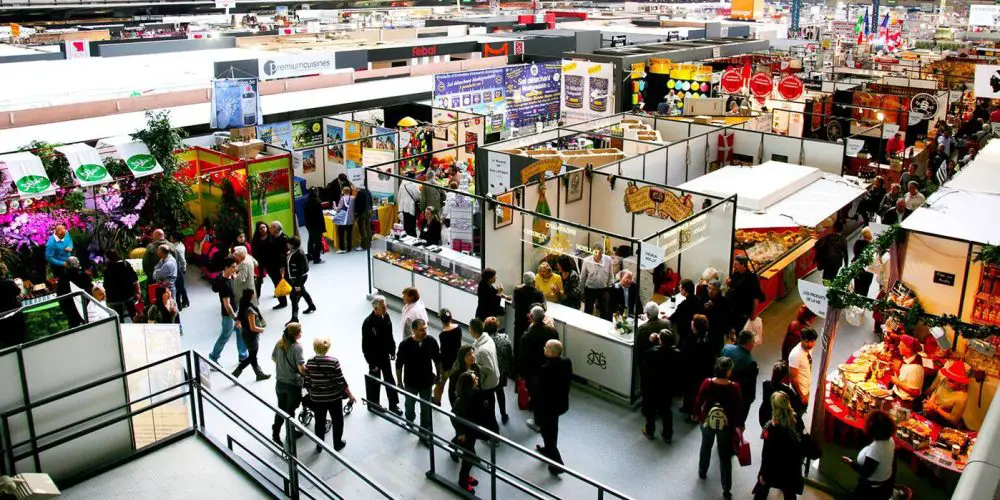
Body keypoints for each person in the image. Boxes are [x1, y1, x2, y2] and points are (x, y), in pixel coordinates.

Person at [694, 357, 745, 499]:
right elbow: (739, 408)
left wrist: (696, 414)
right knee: (724, 456)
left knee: (706, 446)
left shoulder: (707, 383)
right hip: (726, 425)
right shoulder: (734, 387)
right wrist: (739, 425)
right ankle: (726, 487)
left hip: (707, 421)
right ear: (729, 371)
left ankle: (702, 471)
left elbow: (699, 400)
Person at [396, 318, 441, 446]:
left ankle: (423, 434)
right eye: (421, 330)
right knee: (409, 406)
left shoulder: (431, 341)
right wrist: (399, 383)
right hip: (411, 383)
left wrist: (439, 375)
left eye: (426, 328)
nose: (425, 331)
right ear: (414, 330)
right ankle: (410, 421)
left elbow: (437, 359)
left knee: (425, 409)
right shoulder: (405, 345)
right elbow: (399, 365)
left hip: (426, 382)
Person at [305, 337, 354, 452]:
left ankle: (319, 445)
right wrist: (350, 395)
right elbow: (341, 381)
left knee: (319, 421)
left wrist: (313, 392)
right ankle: (337, 443)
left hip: (317, 398)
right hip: (334, 397)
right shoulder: (333, 362)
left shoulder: (310, 362)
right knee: (337, 420)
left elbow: (307, 380)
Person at [753, 392, 805, 500]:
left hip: (773, 467)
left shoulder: (772, 427)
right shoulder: (797, 421)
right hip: (791, 468)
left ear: (774, 407)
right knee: (789, 494)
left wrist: (763, 474)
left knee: (761, 492)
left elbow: (767, 454)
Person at [534, 339, 572, 475]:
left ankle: (557, 464)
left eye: (545, 348)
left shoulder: (545, 369)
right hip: (559, 404)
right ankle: (548, 449)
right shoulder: (566, 362)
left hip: (547, 408)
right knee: (553, 430)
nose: (544, 349)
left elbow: (540, 392)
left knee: (547, 433)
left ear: (551, 352)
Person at [519, 306, 560, 432]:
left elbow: (524, 357)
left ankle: (538, 422)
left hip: (534, 373)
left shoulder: (527, 336)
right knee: (548, 394)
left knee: (536, 397)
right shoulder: (552, 331)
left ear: (531, 317)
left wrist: (522, 374)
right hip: (551, 369)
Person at [841, 410, 896, 499]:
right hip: (884, 483)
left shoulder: (876, 448)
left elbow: (866, 472)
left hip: (871, 489)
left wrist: (850, 462)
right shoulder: (890, 441)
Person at [361, 295, 400, 414]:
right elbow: (365, 346)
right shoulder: (368, 324)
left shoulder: (386, 317)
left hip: (385, 355)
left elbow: (390, 335)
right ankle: (374, 404)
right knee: (375, 381)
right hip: (374, 357)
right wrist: (372, 363)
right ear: (375, 309)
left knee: (389, 379)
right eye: (383, 307)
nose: (386, 309)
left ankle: (393, 404)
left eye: (385, 306)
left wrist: (392, 350)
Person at [453, 371, 490, 494]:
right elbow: (455, 418)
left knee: (470, 454)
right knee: (469, 457)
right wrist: (461, 433)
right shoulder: (461, 401)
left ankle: (465, 476)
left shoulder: (474, 393)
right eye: (475, 379)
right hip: (466, 433)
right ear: (469, 384)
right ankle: (463, 481)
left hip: (472, 431)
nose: (477, 378)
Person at [642, 329, 680, 442]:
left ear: (660, 340)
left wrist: (650, 342)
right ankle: (667, 434)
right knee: (666, 410)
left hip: (653, 386)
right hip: (667, 386)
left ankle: (650, 431)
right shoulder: (677, 353)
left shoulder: (653, 351)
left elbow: (645, 358)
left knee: (651, 410)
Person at [271, 323, 306, 446]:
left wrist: (283, 366)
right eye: (300, 332)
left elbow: (274, 357)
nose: (301, 333)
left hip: (280, 383)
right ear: (296, 335)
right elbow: (301, 369)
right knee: (290, 411)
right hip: (293, 384)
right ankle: (291, 433)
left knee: (281, 409)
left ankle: (275, 433)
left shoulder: (280, 342)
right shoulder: (297, 348)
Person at [209, 257, 248, 363]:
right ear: (226, 268)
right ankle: (213, 356)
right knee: (225, 335)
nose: (235, 269)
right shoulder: (224, 284)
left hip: (236, 308)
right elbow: (227, 305)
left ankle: (243, 355)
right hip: (229, 314)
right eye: (233, 267)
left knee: (241, 331)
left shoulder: (230, 276)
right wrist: (236, 319)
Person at [232, 289, 271, 381]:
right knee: (252, 356)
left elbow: (238, 322)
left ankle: (259, 374)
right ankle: (237, 371)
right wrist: (262, 329)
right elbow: (253, 327)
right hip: (252, 336)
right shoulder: (250, 310)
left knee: (252, 355)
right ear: (252, 295)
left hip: (246, 334)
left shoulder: (242, 303)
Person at [721, 330, 759, 423]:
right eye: (753, 342)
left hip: (723, 390)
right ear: (748, 344)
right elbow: (750, 384)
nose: (753, 345)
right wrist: (750, 399)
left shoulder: (726, 348)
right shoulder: (750, 362)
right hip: (739, 396)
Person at [470, 317, 500, 430]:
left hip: (488, 383)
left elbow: (489, 368)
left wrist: (476, 365)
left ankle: (494, 435)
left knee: (489, 409)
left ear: (472, 330)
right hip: (494, 379)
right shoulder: (487, 338)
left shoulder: (482, 350)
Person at [759, 361, 805, 432]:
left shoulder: (765, 383)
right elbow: (797, 405)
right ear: (785, 377)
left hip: (764, 415)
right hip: (779, 419)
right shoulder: (787, 391)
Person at [683, 314, 714, 417]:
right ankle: (689, 408)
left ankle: (691, 411)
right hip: (704, 371)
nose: (691, 322)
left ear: (696, 326)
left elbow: (686, 354)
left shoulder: (692, 339)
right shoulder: (708, 337)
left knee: (691, 392)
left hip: (693, 371)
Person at [923, 360, 969, 427]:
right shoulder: (945, 381)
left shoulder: (962, 397)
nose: (948, 380)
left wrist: (935, 408)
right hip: (931, 417)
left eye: (953, 380)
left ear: (960, 382)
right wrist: (930, 402)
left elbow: (953, 419)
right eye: (948, 377)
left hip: (944, 424)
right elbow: (936, 392)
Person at [484, 317, 513, 424]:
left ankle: (492, 420)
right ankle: (504, 414)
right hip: (501, 373)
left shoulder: (485, 342)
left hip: (490, 373)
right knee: (500, 393)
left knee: (490, 396)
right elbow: (510, 356)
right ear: (497, 326)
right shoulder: (505, 338)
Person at [727, 255, 764, 331]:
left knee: (743, 331)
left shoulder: (752, 278)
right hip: (734, 309)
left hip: (744, 312)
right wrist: (729, 283)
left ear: (743, 265)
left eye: (736, 264)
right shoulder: (735, 273)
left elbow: (755, 296)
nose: (734, 266)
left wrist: (753, 313)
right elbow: (734, 286)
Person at [285, 236, 316, 323]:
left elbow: (301, 270)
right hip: (294, 278)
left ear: (292, 245)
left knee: (293, 297)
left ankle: (295, 318)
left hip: (298, 279)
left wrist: (297, 284)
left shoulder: (299, 254)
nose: (287, 244)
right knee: (303, 291)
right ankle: (311, 305)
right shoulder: (292, 251)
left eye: (289, 243)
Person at [512, 272, 545, 353]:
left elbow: (513, 305)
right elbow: (544, 307)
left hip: (519, 323)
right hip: (532, 324)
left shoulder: (517, 291)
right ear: (534, 282)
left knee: (518, 346)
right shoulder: (539, 294)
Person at [102, 250, 139, 321]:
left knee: (119, 316)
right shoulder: (125, 264)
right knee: (133, 313)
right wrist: (137, 290)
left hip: (115, 297)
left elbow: (106, 284)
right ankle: (137, 325)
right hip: (128, 294)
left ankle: (120, 328)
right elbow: (134, 278)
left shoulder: (108, 269)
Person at [57, 257, 92, 328]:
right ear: (78, 264)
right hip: (86, 308)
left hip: (70, 309)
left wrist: (64, 309)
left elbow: (60, 295)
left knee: (74, 328)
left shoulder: (63, 278)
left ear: (67, 265)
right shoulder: (83, 275)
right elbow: (90, 291)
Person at [890, 334, 924, 407]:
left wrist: (897, 382)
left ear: (908, 349)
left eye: (901, 345)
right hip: (897, 397)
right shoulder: (908, 360)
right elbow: (904, 379)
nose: (898, 346)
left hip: (905, 404)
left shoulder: (915, 368)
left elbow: (916, 392)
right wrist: (896, 370)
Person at [788, 327, 818, 408]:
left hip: (805, 389)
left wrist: (807, 391)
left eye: (812, 341)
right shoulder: (796, 355)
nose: (810, 344)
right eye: (807, 341)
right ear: (802, 340)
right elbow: (793, 378)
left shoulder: (809, 349)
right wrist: (801, 396)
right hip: (798, 394)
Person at [635, 301, 672, 368]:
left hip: (648, 364)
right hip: (666, 361)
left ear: (648, 315)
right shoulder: (667, 323)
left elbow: (638, 348)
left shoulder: (642, 328)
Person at [581, 248, 614, 319]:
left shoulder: (608, 260)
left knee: (604, 311)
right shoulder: (587, 260)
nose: (598, 255)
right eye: (596, 253)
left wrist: (608, 290)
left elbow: (611, 276)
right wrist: (582, 291)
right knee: (588, 311)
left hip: (603, 290)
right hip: (590, 289)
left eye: (600, 253)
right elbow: (583, 277)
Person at [670, 279, 703, 344]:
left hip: (685, 333)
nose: (679, 288)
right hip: (697, 332)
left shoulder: (684, 305)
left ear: (684, 290)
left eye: (680, 287)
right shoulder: (699, 300)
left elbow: (674, 318)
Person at [0, 264, 25, 347]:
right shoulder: (9, 282)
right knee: (18, 338)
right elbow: (18, 291)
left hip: (2, 317)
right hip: (14, 313)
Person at [704, 279, 731, 352]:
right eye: (709, 288)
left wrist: (713, 307)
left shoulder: (724, 301)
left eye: (714, 289)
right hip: (704, 330)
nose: (711, 291)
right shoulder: (704, 298)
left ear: (718, 290)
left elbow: (724, 319)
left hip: (717, 333)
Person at [268, 222, 289, 309]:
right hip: (274, 264)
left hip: (281, 266)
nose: (270, 228)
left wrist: (282, 266)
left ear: (277, 229)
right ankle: (281, 294)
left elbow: (286, 254)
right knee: (277, 282)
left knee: (280, 282)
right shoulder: (272, 237)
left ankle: (283, 302)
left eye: (272, 227)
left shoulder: (284, 239)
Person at [167, 233, 189, 309]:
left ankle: (180, 304)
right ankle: (185, 301)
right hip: (179, 268)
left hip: (178, 269)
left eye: (171, 237)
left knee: (178, 287)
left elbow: (182, 260)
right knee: (181, 286)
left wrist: (183, 269)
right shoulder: (181, 244)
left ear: (175, 239)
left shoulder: (176, 248)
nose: (170, 238)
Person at [304, 187, 327, 263]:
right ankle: (316, 258)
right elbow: (319, 216)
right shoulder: (317, 201)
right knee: (318, 242)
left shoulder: (307, 201)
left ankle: (309, 255)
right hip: (316, 225)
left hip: (309, 225)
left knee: (310, 239)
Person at [251, 222, 271, 299]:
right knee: (258, 281)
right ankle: (257, 296)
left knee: (274, 278)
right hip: (260, 262)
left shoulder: (271, 236)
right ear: (258, 230)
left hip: (270, 261)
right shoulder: (256, 239)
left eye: (264, 227)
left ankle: (278, 292)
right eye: (261, 228)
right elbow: (254, 251)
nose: (263, 229)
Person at [853, 227, 876, 297]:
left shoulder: (857, 243)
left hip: (857, 268)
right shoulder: (872, 246)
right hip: (867, 271)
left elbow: (855, 253)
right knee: (864, 292)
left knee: (856, 289)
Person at [333, 186, 356, 254]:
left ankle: (342, 248)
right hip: (351, 219)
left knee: (341, 235)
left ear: (343, 191)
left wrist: (334, 206)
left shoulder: (342, 199)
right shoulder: (353, 198)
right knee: (349, 235)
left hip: (342, 220)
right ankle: (349, 248)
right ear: (349, 191)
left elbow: (339, 209)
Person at [354, 184, 374, 251]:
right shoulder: (368, 191)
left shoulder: (360, 192)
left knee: (363, 230)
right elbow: (371, 202)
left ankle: (364, 245)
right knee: (368, 228)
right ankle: (369, 243)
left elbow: (359, 204)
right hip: (368, 212)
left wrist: (356, 213)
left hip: (362, 213)